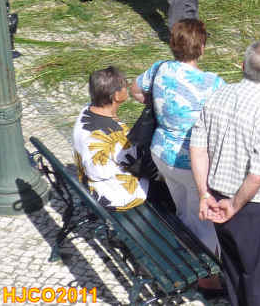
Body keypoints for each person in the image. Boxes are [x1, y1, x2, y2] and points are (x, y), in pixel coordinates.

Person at [191, 40, 260, 306]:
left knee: (234, 272)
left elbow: (197, 147)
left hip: (217, 199)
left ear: (242, 65)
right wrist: (234, 205)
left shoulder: (218, 95)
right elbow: (259, 174)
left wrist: (204, 194)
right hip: (254, 207)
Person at [129, 19, 225, 276]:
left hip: (161, 153)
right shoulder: (214, 83)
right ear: (202, 47)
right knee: (204, 219)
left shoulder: (160, 68)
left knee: (182, 207)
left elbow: (135, 90)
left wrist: (161, 104)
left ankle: (182, 247)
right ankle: (205, 271)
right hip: (193, 164)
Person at [73, 67, 149, 211]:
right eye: (124, 85)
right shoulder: (117, 136)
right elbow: (138, 164)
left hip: (89, 182)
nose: (127, 87)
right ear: (117, 96)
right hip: (112, 195)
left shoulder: (86, 110)